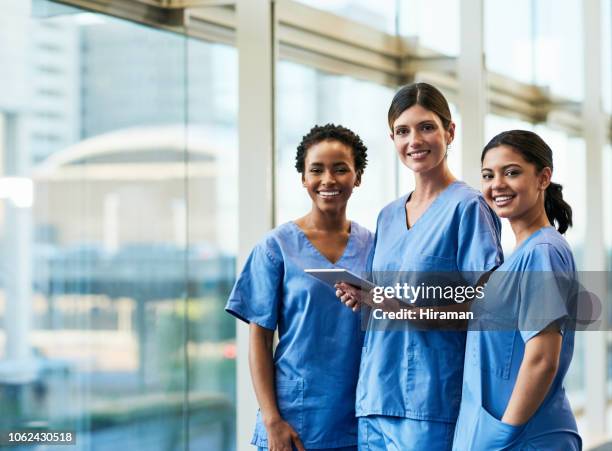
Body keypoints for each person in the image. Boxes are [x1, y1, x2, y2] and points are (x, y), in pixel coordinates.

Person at [336, 82, 503, 450]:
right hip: (375, 399)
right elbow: (385, 301)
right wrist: (364, 298)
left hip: (432, 401)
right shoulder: (388, 216)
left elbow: (491, 309)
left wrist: (411, 312)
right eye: (402, 131)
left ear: (449, 131)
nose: (415, 140)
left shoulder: (469, 208)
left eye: (426, 127)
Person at [225, 124, 375, 451]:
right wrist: (271, 419)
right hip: (294, 422)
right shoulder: (276, 247)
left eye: (341, 169)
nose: (328, 180)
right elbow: (260, 339)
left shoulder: (373, 246)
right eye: (316, 170)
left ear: (358, 176)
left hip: (359, 420)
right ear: (303, 178)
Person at [452, 130, 580, 450]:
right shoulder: (519, 258)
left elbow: (542, 358)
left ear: (543, 178)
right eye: (488, 175)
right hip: (499, 433)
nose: (497, 184)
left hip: (522, 437)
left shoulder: (543, 252)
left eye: (511, 172)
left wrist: (503, 434)